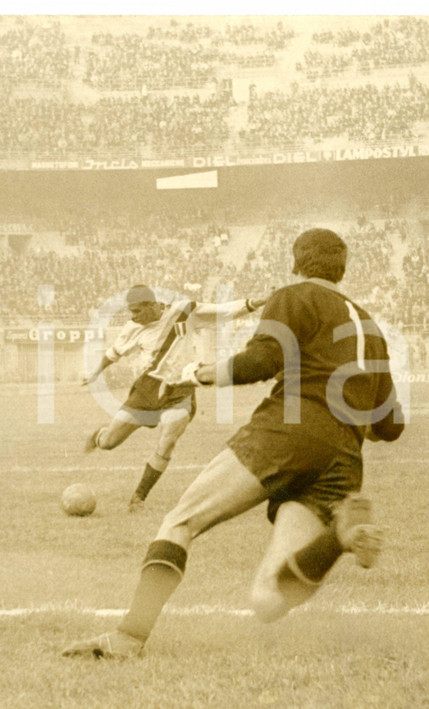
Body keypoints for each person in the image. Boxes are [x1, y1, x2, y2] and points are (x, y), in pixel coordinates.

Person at [63, 229, 405, 659]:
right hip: (344, 458)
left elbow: (261, 360)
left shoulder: (294, 294)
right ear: (342, 268)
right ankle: (339, 535)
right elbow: (390, 425)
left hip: (286, 432)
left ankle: (130, 637)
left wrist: (202, 373)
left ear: (296, 264)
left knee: (180, 523)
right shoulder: (370, 324)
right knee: (268, 601)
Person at [82, 284, 266, 511]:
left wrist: (253, 304)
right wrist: (94, 373)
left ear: (152, 305)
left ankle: (138, 498)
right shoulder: (132, 328)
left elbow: (222, 311)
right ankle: (101, 435)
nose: (133, 316)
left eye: (137, 311)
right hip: (147, 389)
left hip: (181, 388)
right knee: (109, 443)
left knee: (167, 441)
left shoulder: (183, 311)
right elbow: (114, 353)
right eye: (130, 312)